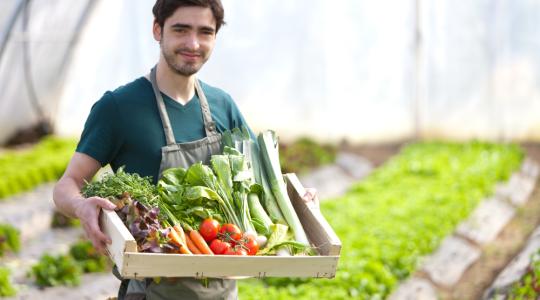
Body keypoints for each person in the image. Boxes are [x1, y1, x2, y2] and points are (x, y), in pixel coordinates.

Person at [53, 0, 319, 299]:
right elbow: (67, 184)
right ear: (158, 30)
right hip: (152, 290)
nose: (193, 43)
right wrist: (80, 206)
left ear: (215, 38)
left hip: (223, 291)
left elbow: (256, 184)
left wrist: (293, 200)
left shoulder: (223, 105)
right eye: (181, 29)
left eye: (205, 32)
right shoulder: (118, 107)